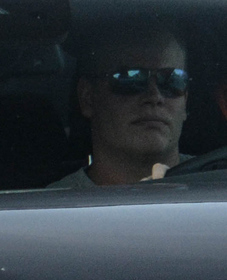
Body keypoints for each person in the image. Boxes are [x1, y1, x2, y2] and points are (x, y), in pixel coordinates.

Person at [54, 22, 188, 187]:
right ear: (88, 98)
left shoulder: (222, 183)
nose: (155, 96)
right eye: (131, 79)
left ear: (185, 100)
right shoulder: (51, 208)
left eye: (172, 80)